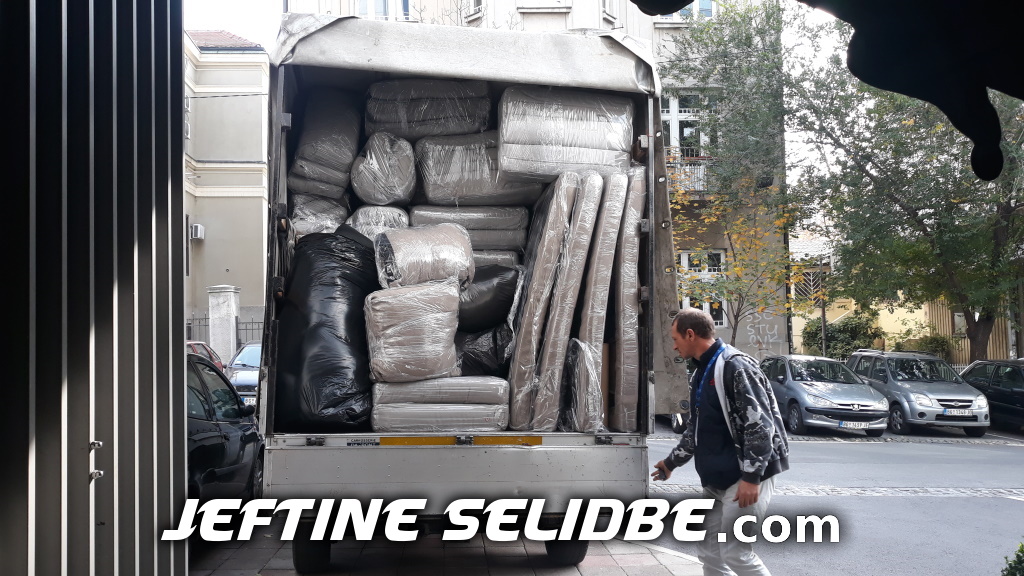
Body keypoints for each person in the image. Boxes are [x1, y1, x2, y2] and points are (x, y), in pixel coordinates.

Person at [652, 308, 789, 576]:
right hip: (716, 480)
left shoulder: (735, 366)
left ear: (690, 334)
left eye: (675, 339)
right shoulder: (701, 372)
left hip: (744, 479)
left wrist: (752, 478)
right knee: (710, 552)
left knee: (736, 552)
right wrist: (670, 463)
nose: (674, 346)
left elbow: (760, 426)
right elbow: (697, 429)